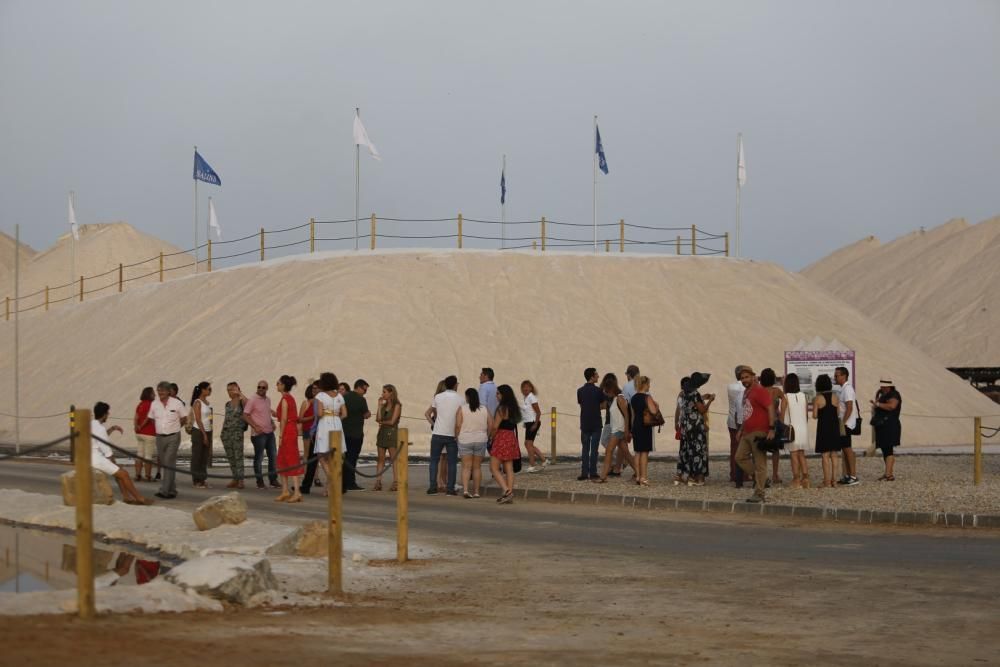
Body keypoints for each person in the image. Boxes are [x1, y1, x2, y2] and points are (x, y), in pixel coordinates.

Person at [91, 402, 152, 505]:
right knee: (124, 474)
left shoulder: (92, 423)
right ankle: (139, 498)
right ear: (104, 414)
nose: (108, 414)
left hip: (89, 456)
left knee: (118, 472)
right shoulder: (100, 429)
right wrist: (114, 463)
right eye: (108, 413)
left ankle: (126, 497)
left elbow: (99, 437)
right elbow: (107, 451)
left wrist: (112, 429)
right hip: (95, 459)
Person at [734, 367, 776, 503]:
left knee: (760, 463)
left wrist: (771, 428)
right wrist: (740, 430)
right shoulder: (747, 392)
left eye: (746, 377)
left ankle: (759, 493)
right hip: (747, 432)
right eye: (742, 378)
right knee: (739, 457)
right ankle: (763, 479)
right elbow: (746, 413)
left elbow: (770, 408)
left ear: (753, 376)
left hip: (759, 431)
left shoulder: (759, 390)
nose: (744, 380)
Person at [148, 381, 188, 500]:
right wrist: (159, 427)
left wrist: (175, 427)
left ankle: (164, 491)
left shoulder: (177, 403)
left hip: (173, 437)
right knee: (167, 463)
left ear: (168, 391)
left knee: (168, 460)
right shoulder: (154, 404)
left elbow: (184, 418)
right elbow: (151, 418)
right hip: (160, 437)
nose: (160, 392)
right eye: (158, 390)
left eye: (162, 390)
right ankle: (172, 489)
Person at [425, 375, 462, 496]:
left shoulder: (438, 397)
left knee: (434, 461)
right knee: (452, 462)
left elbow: (433, 413)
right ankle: (450, 488)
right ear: (455, 384)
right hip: (452, 434)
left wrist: (434, 424)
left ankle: (432, 487)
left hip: (438, 432)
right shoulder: (460, 399)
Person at [596, 373, 635, 483]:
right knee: (626, 453)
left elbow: (627, 415)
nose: (605, 392)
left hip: (619, 430)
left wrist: (627, 430)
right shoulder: (613, 399)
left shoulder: (619, 398)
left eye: (606, 390)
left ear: (611, 389)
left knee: (609, 450)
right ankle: (639, 473)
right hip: (617, 429)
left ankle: (603, 477)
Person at [313, 372, 346, 496]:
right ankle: (328, 488)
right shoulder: (339, 396)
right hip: (337, 423)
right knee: (334, 456)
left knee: (321, 455)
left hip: (324, 424)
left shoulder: (320, 395)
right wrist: (336, 418)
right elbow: (345, 414)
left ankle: (332, 479)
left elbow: (320, 414)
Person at [678, 372, 713, 486]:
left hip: (686, 427)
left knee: (689, 451)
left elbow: (691, 404)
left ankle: (688, 475)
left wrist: (702, 397)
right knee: (699, 452)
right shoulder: (695, 393)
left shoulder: (684, 393)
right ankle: (700, 478)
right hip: (696, 427)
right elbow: (702, 410)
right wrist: (710, 401)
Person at [489, 384, 522, 504]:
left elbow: (495, 427)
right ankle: (509, 492)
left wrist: (491, 437)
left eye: (498, 393)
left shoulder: (501, 409)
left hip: (501, 437)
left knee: (493, 467)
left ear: (503, 395)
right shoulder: (513, 408)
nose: (496, 396)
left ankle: (507, 491)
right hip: (511, 437)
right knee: (509, 468)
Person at [243, 379, 279, 489]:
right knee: (259, 458)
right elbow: (245, 415)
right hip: (258, 434)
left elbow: (267, 413)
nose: (261, 389)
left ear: (267, 389)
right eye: (259, 387)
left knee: (273, 456)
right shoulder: (252, 400)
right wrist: (255, 426)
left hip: (269, 433)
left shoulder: (268, 400)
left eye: (263, 387)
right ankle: (259, 481)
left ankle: (273, 480)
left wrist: (272, 422)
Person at [274, 375, 304, 503]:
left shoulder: (286, 399)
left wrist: (280, 435)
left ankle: (297, 492)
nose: (277, 385)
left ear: (283, 385)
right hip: (290, 429)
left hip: (288, 431)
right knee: (283, 459)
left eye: (278, 383)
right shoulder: (288, 398)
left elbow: (285, 419)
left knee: (291, 459)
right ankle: (285, 490)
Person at [456, 387, 488, 498]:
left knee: (466, 467)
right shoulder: (484, 409)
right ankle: (476, 492)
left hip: (465, 440)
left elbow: (458, 425)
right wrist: (487, 435)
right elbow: (492, 424)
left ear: (467, 397)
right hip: (480, 439)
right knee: (477, 467)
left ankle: (465, 490)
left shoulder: (462, 409)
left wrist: (457, 436)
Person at [813, 373, 843, 488]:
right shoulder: (835, 397)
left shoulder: (818, 398)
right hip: (834, 427)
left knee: (825, 455)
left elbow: (815, 415)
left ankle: (826, 481)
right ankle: (834, 481)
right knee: (834, 454)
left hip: (823, 428)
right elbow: (838, 413)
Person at [342, 379, 371, 493]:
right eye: (364, 389)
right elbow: (366, 414)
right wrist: (367, 414)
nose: (365, 392)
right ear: (358, 387)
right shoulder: (361, 399)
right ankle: (350, 483)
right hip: (356, 434)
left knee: (344, 458)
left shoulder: (344, 397)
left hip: (344, 433)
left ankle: (343, 482)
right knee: (352, 459)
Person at [630, 376, 660, 486]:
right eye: (648, 384)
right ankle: (644, 477)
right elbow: (653, 411)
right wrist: (657, 406)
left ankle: (637, 476)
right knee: (644, 452)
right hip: (645, 426)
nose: (649, 386)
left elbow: (633, 415)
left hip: (636, 425)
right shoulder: (647, 397)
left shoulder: (633, 398)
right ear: (644, 384)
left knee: (637, 452)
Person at [577, 367, 606, 481]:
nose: (598, 376)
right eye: (596, 375)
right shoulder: (599, 391)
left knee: (585, 448)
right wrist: (595, 407)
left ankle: (584, 472)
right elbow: (603, 405)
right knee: (594, 449)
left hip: (584, 422)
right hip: (596, 422)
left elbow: (581, 405)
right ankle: (593, 472)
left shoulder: (580, 391)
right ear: (592, 376)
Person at [759, 368, 787, 485]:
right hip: (774, 422)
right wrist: (782, 415)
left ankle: (763, 475)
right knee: (775, 450)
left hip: (762, 423)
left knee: (762, 449)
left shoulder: (759, 391)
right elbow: (784, 400)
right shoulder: (776, 391)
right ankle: (775, 474)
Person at [783, 373, 810, 488]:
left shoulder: (786, 397)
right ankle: (806, 479)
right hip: (803, 428)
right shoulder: (804, 396)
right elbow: (806, 415)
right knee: (801, 454)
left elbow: (782, 415)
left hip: (791, 429)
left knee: (793, 455)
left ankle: (796, 480)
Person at [871, 380, 902, 481]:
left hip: (890, 426)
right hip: (884, 426)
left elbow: (892, 406)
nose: (882, 387)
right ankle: (888, 473)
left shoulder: (894, 394)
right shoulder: (885, 394)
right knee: (885, 449)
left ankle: (889, 474)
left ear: (888, 387)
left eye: (884, 386)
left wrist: (878, 404)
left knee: (888, 450)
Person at [834, 366, 860, 486]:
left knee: (848, 449)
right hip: (845, 423)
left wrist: (843, 423)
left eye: (837, 375)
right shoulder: (843, 389)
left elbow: (849, 407)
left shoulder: (848, 389)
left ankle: (853, 476)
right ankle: (848, 475)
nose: (835, 377)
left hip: (847, 424)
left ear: (844, 376)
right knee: (845, 449)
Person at [374, 384, 401, 491]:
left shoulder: (397, 405)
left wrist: (382, 422)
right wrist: (379, 406)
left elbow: (392, 421)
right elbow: (377, 418)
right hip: (382, 433)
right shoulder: (384, 406)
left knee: (393, 458)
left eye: (384, 392)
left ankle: (396, 482)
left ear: (391, 393)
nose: (382, 394)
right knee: (380, 459)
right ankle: (378, 482)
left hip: (391, 433)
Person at [727, 365, 751, 488]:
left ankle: (734, 474)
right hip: (742, 422)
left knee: (734, 449)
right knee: (744, 450)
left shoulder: (730, 386)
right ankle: (743, 475)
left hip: (731, 421)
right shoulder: (743, 388)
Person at [220, 381, 247, 489]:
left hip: (237, 433)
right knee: (231, 457)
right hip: (226, 433)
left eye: (232, 389)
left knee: (238, 456)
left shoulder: (242, 402)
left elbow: (248, 404)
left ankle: (241, 480)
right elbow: (226, 418)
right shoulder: (227, 404)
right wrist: (222, 433)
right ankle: (235, 478)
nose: (230, 392)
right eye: (228, 390)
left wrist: (239, 393)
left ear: (238, 389)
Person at [299, 381, 323, 494]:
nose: (314, 391)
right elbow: (301, 418)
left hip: (318, 432)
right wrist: (313, 418)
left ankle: (313, 479)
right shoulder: (307, 403)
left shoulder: (320, 401)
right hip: (309, 431)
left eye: (316, 388)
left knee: (317, 457)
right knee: (309, 456)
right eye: (312, 389)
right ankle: (307, 480)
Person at [189, 381, 213, 489]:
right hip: (199, 431)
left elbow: (209, 417)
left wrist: (209, 432)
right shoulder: (197, 402)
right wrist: (204, 435)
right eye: (208, 389)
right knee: (197, 455)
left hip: (208, 430)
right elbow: (198, 419)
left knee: (205, 456)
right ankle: (196, 480)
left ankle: (203, 478)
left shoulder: (207, 403)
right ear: (203, 390)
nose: (210, 391)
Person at [520, 380, 548, 472]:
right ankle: (544, 460)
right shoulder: (525, 398)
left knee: (528, 444)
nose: (525, 388)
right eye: (524, 387)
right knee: (528, 444)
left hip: (533, 422)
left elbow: (538, 412)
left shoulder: (532, 397)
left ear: (531, 388)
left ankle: (532, 465)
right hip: (528, 423)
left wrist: (535, 424)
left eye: (527, 386)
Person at [133, 386, 157, 482]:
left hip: (139, 433)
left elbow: (136, 417)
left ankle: (138, 474)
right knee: (148, 456)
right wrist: (142, 426)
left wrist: (136, 426)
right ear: (150, 394)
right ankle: (148, 475)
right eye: (153, 393)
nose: (155, 394)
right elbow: (149, 418)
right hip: (149, 432)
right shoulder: (152, 404)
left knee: (139, 454)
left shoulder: (140, 404)